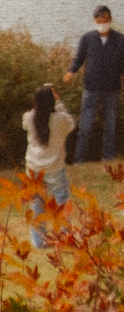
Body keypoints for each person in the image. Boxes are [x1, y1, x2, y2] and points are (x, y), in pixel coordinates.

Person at [65, 7, 124, 163]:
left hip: (112, 90)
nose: (102, 25)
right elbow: (79, 58)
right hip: (91, 89)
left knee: (110, 128)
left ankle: (108, 158)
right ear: (94, 21)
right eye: (98, 22)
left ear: (110, 20)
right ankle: (79, 160)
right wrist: (71, 71)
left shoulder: (120, 40)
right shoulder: (87, 38)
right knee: (85, 127)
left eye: (104, 21)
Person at [21, 84, 74, 249]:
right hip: (54, 167)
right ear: (53, 100)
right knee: (62, 201)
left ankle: (39, 240)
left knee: (37, 203)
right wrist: (58, 102)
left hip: (33, 167)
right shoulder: (60, 119)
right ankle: (66, 236)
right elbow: (71, 124)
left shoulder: (28, 117)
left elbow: (28, 122)